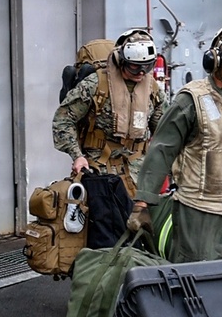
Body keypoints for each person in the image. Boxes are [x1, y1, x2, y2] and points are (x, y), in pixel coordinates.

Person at [129, 23, 222, 262]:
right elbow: (162, 150)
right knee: (195, 283)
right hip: (199, 215)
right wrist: (142, 204)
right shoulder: (191, 100)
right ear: (216, 61)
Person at [52, 28, 166, 198]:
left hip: (139, 172)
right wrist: (77, 156)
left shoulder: (152, 89)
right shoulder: (96, 84)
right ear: (121, 60)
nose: (141, 73)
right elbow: (63, 120)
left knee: (142, 222)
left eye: (147, 67)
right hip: (99, 169)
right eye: (135, 67)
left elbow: (166, 130)